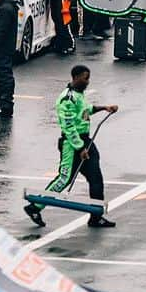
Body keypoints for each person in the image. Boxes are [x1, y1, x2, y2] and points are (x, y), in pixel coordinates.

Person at [25, 65, 117, 228]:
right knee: (64, 178)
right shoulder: (66, 99)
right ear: (75, 77)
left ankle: (96, 216)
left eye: (88, 78)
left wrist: (104, 108)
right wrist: (80, 148)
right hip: (71, 144)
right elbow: (68, 126)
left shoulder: (79, 95)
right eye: (84, 78)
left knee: (96, 178)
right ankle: (35, 206)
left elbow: (85, 111)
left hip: (85, 140)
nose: (87, 81)